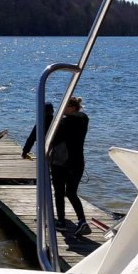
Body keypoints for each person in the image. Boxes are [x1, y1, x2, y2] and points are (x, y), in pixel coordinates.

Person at [49, 96, 89, 235]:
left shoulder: (65, 122)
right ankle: (82, 220)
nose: (62, 109)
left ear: (72, 107)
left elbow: (54, 139)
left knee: (59, 193)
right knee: (71, 193)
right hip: (77, 163)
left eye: (64, 106)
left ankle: (61, 221)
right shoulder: (83, 119)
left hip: (61, 163)